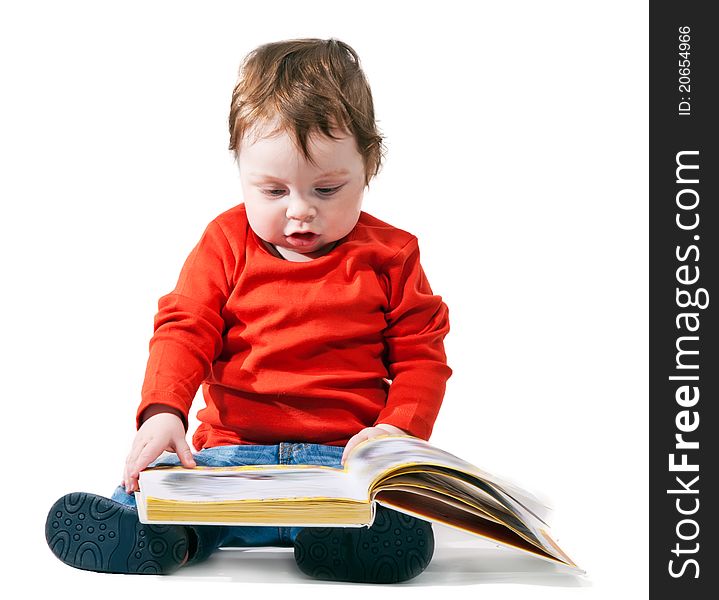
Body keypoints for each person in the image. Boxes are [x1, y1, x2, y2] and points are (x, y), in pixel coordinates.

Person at [46, 38, 451, 584]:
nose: (300, 211)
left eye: (327, 189)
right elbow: (185, 328)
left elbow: (421, 358)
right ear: (240, 169)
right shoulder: (224, 242)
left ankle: (344, 541)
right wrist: (163, 411)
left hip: (341, 464)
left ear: (369, 166)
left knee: (386, 510)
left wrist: (395, 434)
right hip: (232, 460)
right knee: (163, 481)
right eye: (273, 190)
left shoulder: (393, 255)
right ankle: (161, 536)